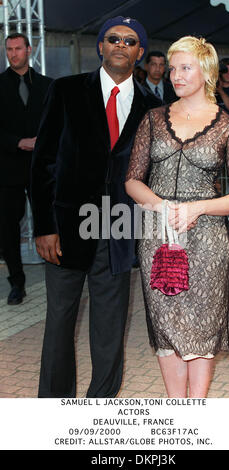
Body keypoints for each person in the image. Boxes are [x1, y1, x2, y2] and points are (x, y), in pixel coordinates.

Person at [31, 16, 161, 398]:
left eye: (131, 40)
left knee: (109, 327)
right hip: (65, 228)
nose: (121, 44)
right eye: (113, 38)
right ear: (100, 47)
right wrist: (43, 225)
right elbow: (43, 162)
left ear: (139, 53)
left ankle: (100, 405)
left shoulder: (154, 108)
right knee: (59, 321)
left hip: (119, 229)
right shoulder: (66, 90)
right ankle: (53, 406)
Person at [125, 36, 229, 398]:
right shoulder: (152, 119)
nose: (174, 75)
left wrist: (197, 207)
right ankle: (175, 410)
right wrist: (160, 206)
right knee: (165, 321)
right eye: (172, 67)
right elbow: (132, 179)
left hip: (207, 237)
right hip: (158, 234)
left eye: (184, 67)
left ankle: (194, 413)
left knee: (202, 321)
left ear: (206, 71)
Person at [0, 33, 52, 305]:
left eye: (18, 48)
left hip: (41, 167)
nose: (13, 53)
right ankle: (16, 283)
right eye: (9, 49)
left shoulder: (47, 86)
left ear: (29, 50)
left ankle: (56, 275)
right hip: (7, 169)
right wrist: (18, 142)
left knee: (48, 221)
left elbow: (57, 125)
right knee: (8, 228)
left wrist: (40, 143)